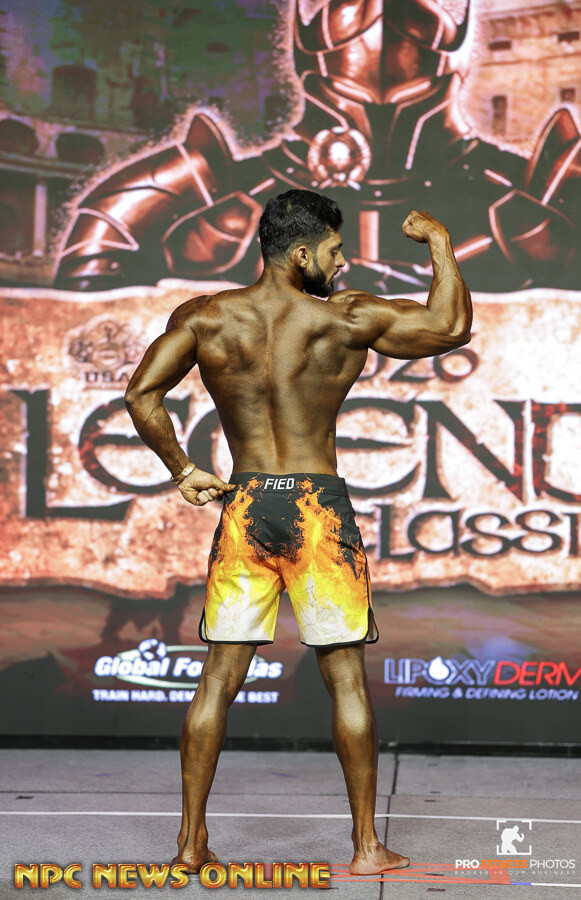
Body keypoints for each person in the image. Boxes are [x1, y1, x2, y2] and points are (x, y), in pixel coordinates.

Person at [125, 189, 472, 876]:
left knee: (218, 679)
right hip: (317, 510)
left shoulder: (206, 317)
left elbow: (141, 395)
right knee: (346, 682)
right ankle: (366, 848)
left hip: (248, 506)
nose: (342, 265)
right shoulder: (343, 317)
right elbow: (449, 326)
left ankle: (190, 844)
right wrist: (438, 241)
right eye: (336, 251)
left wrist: (184, 469)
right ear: (303, 252)